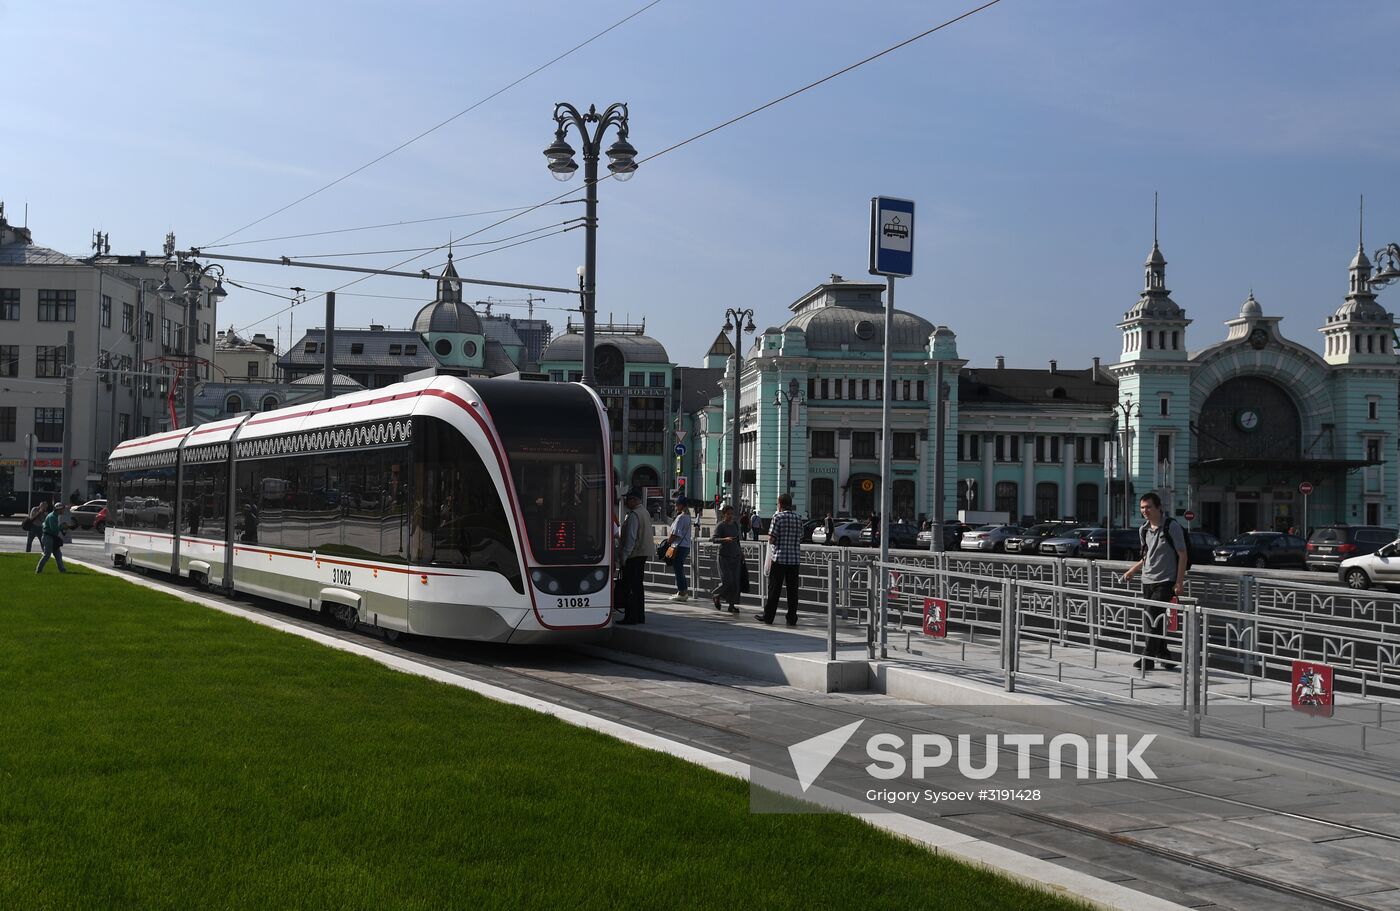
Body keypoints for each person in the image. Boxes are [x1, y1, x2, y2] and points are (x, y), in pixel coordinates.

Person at [1120, 491, 1186, 672]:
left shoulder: (1172, 527)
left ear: (1158, 507)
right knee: (1152, 619)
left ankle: (1148, 658)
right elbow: (1147, 556)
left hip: (1166, 581)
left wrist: (1179, 582)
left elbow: (1182, 554)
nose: (1145, 510)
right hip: (1147, 579)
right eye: (1142, 507)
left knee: (1153, 615)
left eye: (1148, 507)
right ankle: (1164, 655)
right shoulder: (1143, 529)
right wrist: (1132, 571)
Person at [756, 493, 803, 626]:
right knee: (793, 591)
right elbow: (800, 537)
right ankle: (792, 618)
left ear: (780, 504)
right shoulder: (798, 518)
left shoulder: (778, 517)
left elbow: (771, 538)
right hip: (794, 560)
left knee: (774, 589)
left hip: (779, 558)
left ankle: (769, 616)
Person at [617, 488, 653, 625]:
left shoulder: (634, 515)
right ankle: (639, 615)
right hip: (642, 554)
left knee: (630, 587)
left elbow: (631, 539)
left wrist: (624, 558)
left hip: (634, 555)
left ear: (634, 500)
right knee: (638, 586)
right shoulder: (645, 512)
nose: (626, 501)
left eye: (628, 499)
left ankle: (630, 616)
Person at [710, 504, 743, 613]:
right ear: (723, 515)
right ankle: (716, 594)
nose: (730, 516)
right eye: (728, 514)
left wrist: (741, 552)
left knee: (735, 583)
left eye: (732, 514)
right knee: (727, 581)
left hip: (736, 556)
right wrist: (724, 539)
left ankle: (731, 605)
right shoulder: (721, 526)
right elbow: (713, 539)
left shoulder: (735, 525)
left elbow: (737, 540)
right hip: (724, 557)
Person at [665, 500, 694, 602]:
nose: (675, 506)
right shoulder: (688, 517)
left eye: (677, 504)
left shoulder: (680, 517)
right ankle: (682, 591)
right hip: (685, 546)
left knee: (678, 569)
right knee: (680, 569)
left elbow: (674, 533)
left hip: (678, 546)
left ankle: (682, 592)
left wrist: (667, 543)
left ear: (681, 505)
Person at [35, 502, 69, 574]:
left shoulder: (55, 515)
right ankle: (38, 571)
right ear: (58, 509)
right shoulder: (52, 517)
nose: (64, 510)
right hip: (48, 538)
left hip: (51, 537)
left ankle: (62, 570)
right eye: (63, 509)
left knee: (58, 554)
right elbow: (54, 530)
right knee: (47, 555)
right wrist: (62, 527)